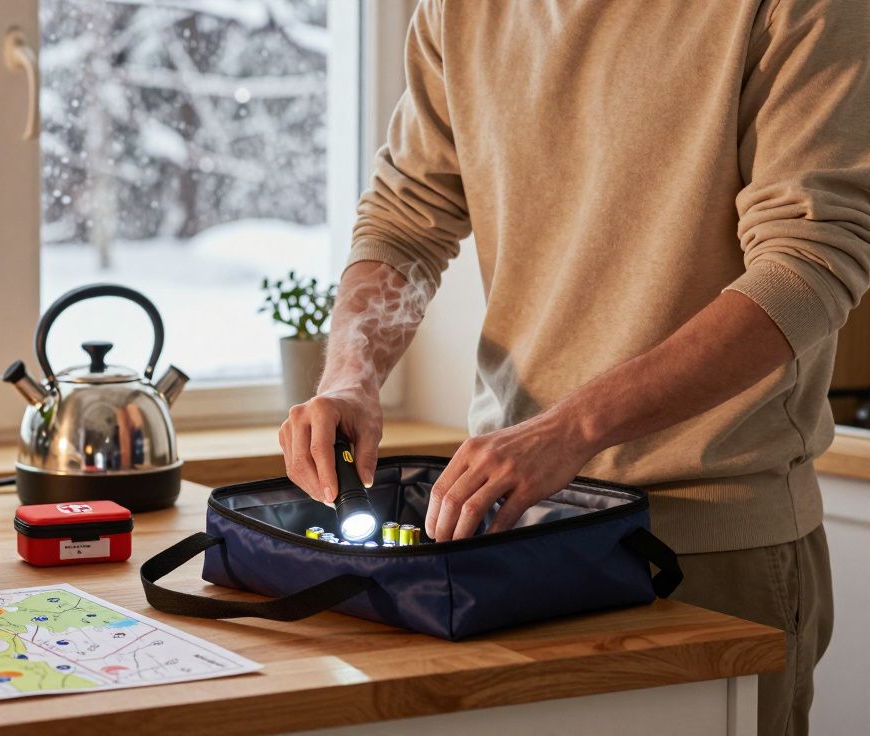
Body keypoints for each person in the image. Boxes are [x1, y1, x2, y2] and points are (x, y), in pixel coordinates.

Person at [278, 1, 869, 734]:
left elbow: (809, 266)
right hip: (505, 535)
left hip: (706, 543)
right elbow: (405, 221)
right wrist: (350, 375)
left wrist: (571, 429)